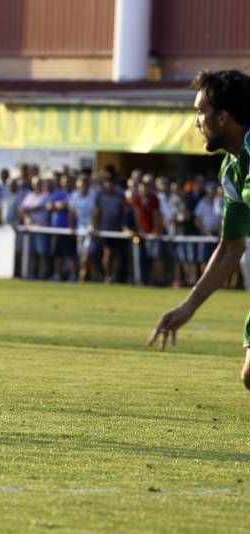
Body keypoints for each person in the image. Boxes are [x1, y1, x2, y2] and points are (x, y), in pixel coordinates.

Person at [148, 69, 250, 388]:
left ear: (222, 118)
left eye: (200, 111)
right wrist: (188, 306)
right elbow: (231, 246)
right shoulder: (232, 168)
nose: (196, 121)